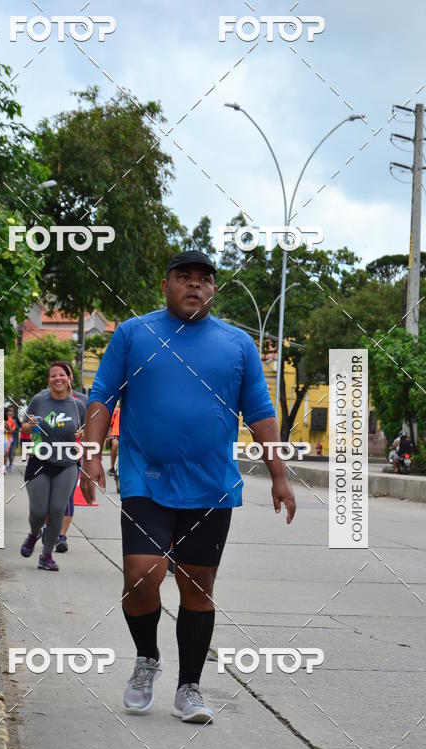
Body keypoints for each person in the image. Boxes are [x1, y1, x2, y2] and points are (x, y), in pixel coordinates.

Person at [82, 250, 296, 724]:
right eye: (184, 277)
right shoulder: (134, 334)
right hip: (146, 478)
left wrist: (279, 474)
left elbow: (260, 411)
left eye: (204, 279)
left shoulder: (237, 344)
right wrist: (92, 453)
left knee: (197, 587)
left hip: (211, 486)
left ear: (214, 289)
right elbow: (102, 395)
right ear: (167, 284)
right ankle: (146, 659)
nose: (194, 286)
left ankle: (189, 688)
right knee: (141, 574)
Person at [20, 361, 86, 571]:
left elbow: (86, 430)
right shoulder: (39, 400)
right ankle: (34, 533)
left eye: (62, 375)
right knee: (38, 511)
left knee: (58, 509)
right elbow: (25, 426)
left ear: (69, 378)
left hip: (67, 463)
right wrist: (30, 425)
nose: (57, 378)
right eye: (53, 376)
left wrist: (84, 433)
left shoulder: (79, 405)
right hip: (40, 460)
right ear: (49, 380)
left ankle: (46, 555)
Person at [106, 404, 120, 475]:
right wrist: (108, 436)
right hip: (114, 434)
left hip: (125, 435)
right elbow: (110, 425)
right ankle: (112, 468)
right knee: (115, 444)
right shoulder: (116, 411)